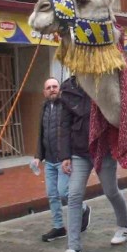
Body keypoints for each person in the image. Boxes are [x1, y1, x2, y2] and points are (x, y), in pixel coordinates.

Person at [54, 76, 127, 252]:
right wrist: (65, 155)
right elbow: (63, 125)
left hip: (102, 149)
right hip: (79, 152)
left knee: (110, 191)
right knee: (73, 196)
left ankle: (125, 226)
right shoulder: (68, 87)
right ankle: (74, 249)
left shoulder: (103, 80)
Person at [37, 78, 72, 242]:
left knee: (64, 192)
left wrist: (69, 156)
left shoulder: (65, 105)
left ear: (60, 89)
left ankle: (83, 209)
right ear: (44, 92)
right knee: (52, 194)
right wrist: (38, 156)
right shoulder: (44, 107)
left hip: (63, 159)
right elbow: (41, 133)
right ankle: (59, 227)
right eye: (48, 87)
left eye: (54, 86)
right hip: (49, 160)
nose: (52, 89)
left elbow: (69, 132)